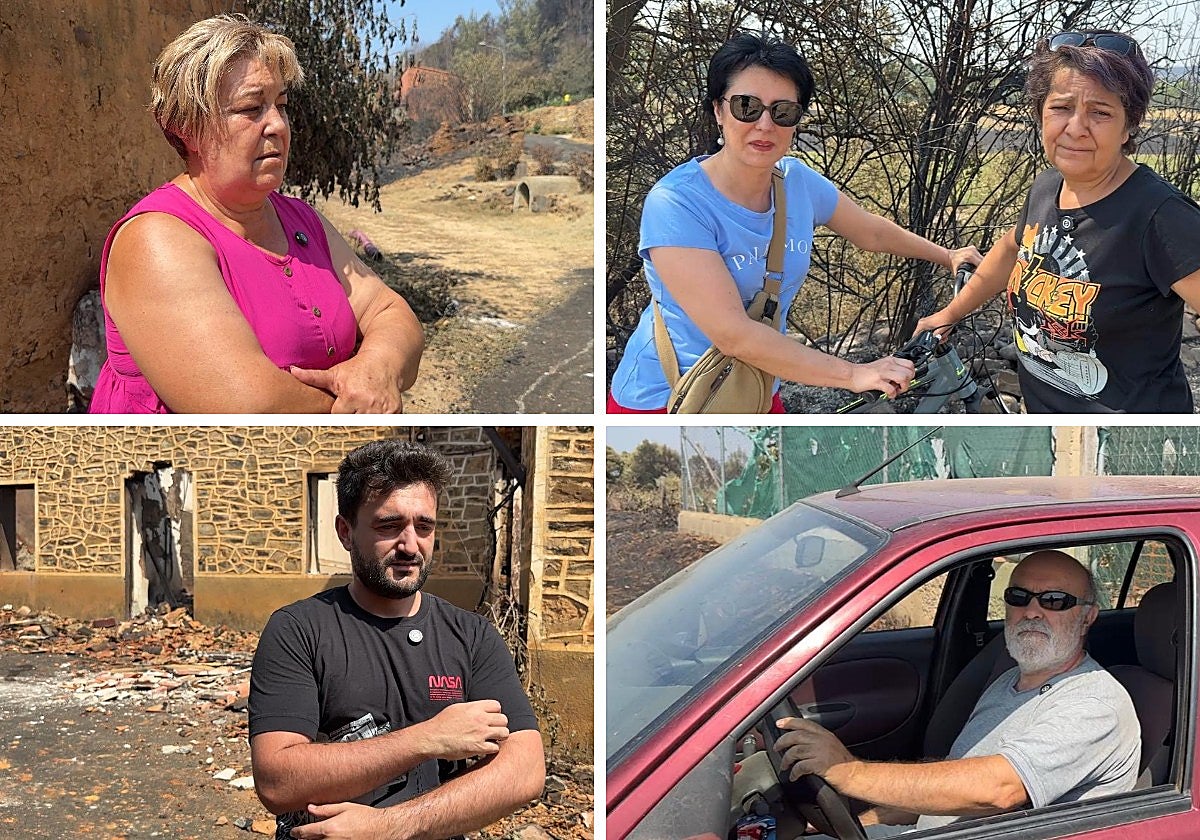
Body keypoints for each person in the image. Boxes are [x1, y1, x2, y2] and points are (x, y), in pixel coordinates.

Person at [607, 32, 983, 413]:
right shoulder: (677, 203)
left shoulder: (796, 183)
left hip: (756, 383)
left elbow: (870, 230)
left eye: (783, 111)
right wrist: (854, 374)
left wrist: (947, 255)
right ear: (718, 110)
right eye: (746, 106)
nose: (765, 124)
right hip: (670, 397)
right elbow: (734, 335)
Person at [90, 15, 423, 414]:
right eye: (251, 108)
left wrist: (378, 369)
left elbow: (389, 311)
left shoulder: (301, 220)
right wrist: (356, 407)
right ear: (187, 129)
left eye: (281, 105)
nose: (278, 125)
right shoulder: (156, 240)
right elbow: (248, 405)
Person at [248, 440, 545, 839]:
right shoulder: (299, 630)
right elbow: (277, 781)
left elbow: (524, 770)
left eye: (424, 526)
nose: (410, 545)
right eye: (389, 526)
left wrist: (387, 827)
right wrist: (427, 738)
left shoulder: (472, 636)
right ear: (345, 532)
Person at [916, 30, 1200, 413]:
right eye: (1062, 107)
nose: (1076, 127)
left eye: (1100, 112)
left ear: (1129, 125)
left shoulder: (1159, 216)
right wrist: (949, 314)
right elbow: (1011, 249)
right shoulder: (1047, 187)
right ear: (1040, 113)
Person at [775, 550, 1140, 832]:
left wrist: (850, 771)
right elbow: (955, 779)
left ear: (1088, 617)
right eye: (1018, 596)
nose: (1032, 611)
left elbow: (999, 789)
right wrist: (868, 820)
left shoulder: (1093, 703)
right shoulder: (1009, 682)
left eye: (1054, 601)